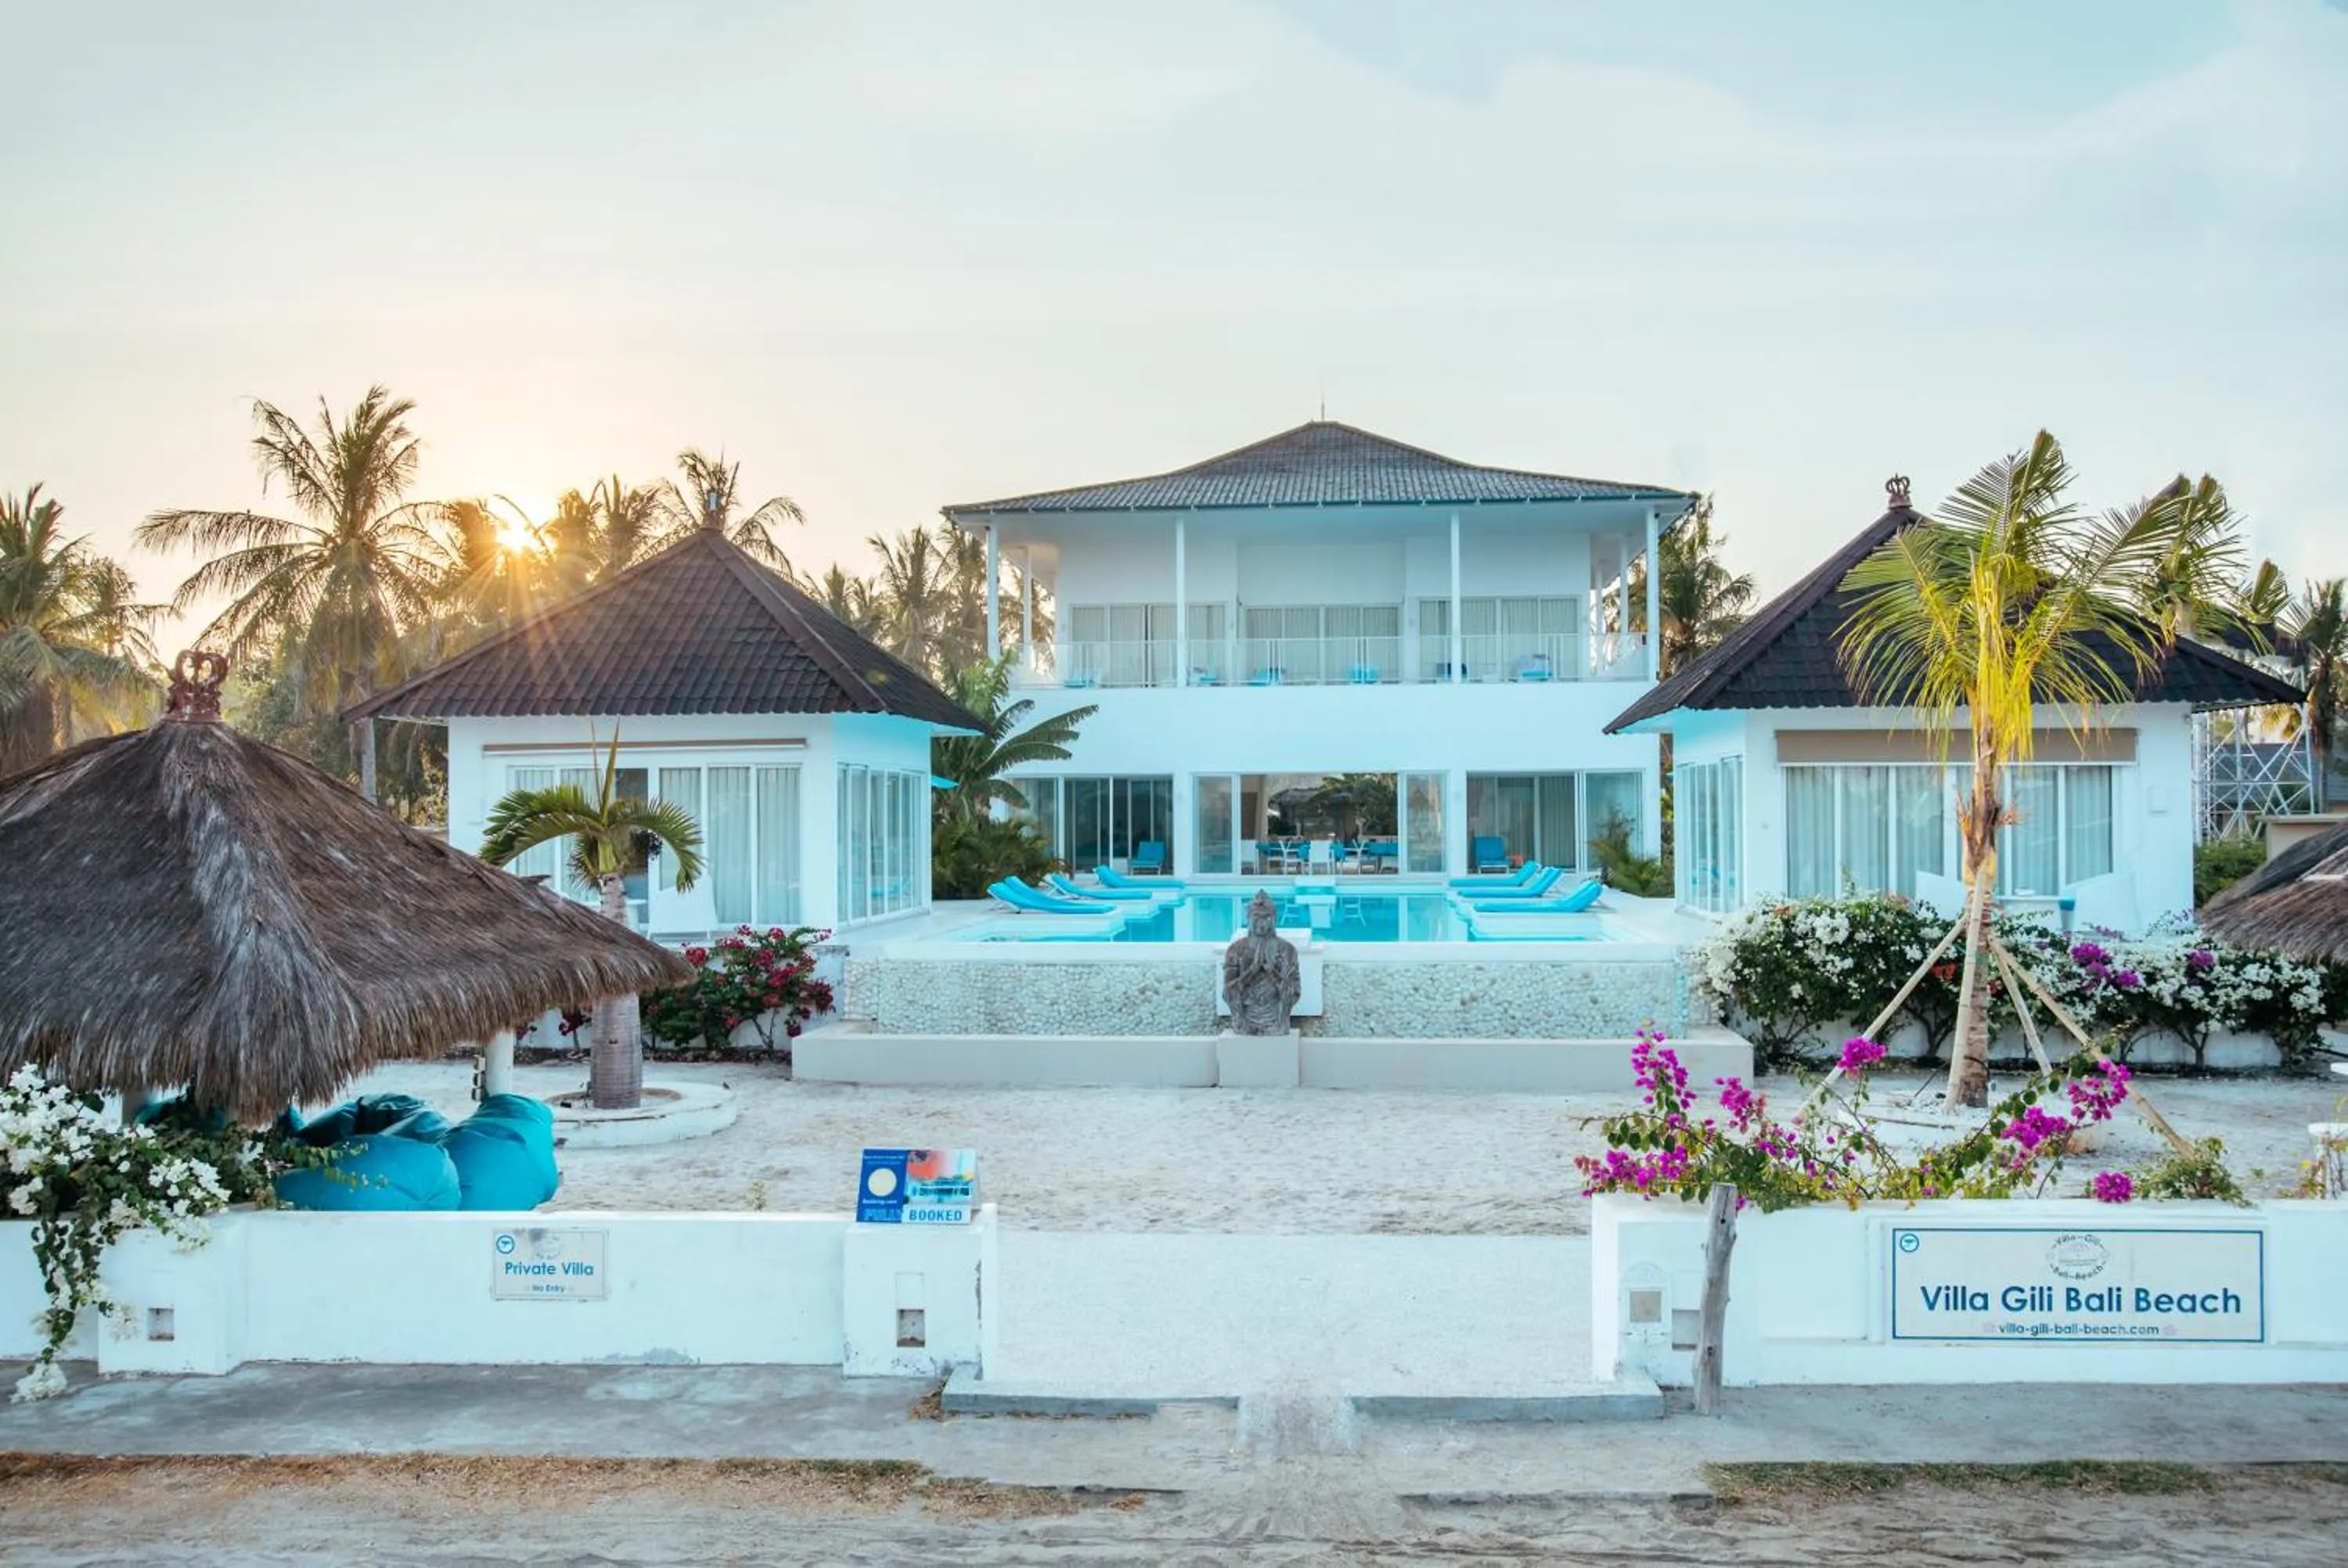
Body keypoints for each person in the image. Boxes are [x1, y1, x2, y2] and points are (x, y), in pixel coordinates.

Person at [1222, 890, 1301, 1035]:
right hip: (1247, 1017)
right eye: (1256, 917)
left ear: (1274, 919)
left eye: (1267, 917)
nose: (1262, 922)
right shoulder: (1236, 950)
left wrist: (1272, 972)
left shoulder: (1287, 950)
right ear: (1248, 918)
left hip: (1275, 1018)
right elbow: (1228, 992)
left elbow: (1294, 992)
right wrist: (1251, 972)